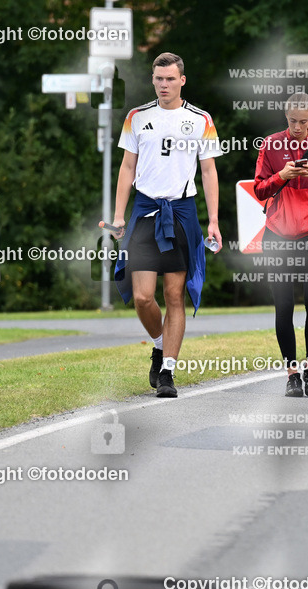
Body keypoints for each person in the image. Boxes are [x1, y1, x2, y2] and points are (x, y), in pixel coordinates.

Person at [110, 52, 223, 398]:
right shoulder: (137, 117)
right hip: (145, 211)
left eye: (170, 79)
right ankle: (159, 345)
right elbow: (127, 168)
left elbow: (208, 171)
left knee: (174, 294)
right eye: (158, 78)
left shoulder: (200, 119)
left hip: (182, 212)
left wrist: (214, 221)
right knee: (143, 296)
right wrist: (118, 216)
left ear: (182, 80)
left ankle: (169, 372)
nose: (163, 85)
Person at [253, 92, 308, 398]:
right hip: (278, 234)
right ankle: (292, 374)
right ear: (286, 116)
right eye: (293, 121)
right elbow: (258, 189)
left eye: (304, 122)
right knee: (283, 306)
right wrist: (282, 175)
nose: (298, 127)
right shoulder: (271, 144)